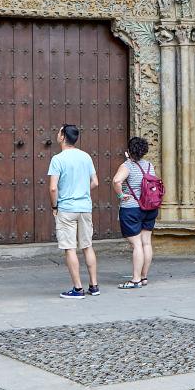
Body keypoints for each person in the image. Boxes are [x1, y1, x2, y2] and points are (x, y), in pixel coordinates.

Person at [49, 124, 100, 298]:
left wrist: (55, 206)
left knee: (70, 248)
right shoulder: (86, 157)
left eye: (58, 131)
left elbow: (53, 188)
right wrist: (82, 192)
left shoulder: (58, 159)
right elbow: (95, 182)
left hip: (67, 208)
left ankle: (78, 289)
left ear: (63, 136)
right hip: (85, 207)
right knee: (87, 246)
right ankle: (94, 285)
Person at [112, 136, 159, 289]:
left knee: (137, 245)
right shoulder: (149, 165)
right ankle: (144, 277)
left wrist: (120, 195)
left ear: (129, 151)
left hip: (132, 208)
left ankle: (135, 279)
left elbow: (116, 181)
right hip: (150, 208)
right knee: (146, 243)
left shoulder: (128, 166)